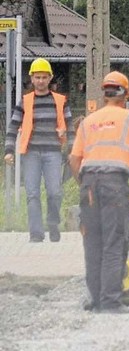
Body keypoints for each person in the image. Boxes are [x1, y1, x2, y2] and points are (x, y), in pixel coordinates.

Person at [69, 71, 129, 313]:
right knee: (114, 242)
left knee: (92, 243)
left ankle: (95, 300)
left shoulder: (88, 121)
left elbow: (74, 159)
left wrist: (83, 182)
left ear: (104, 94)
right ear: (126, 93)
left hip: (89, 185)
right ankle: (110, 302)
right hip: (115, 185)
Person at [4, 58, 73, 243]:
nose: (41, 81)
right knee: (32, 193)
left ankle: (52, 223)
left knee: (54, 192)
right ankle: (36, 233)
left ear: (50, 78)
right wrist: (9, 150)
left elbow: (70, 126)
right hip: (31, 153)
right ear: (32, 79)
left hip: (53, 153)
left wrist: (72, 149)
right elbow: (12, 127)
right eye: (37, 77)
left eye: (44, 77)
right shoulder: (24, 102)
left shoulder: (60, 101)